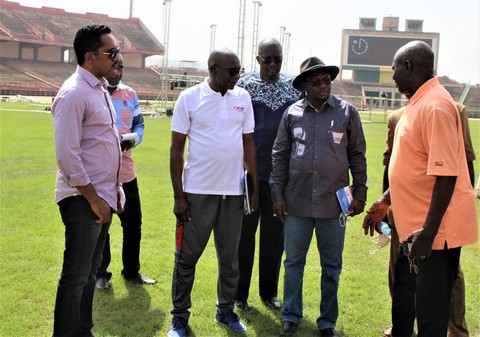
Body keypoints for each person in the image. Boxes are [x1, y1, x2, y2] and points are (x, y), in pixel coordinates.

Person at [362, 41, 478, 337]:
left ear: (409, 67)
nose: (394, 76)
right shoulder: (417, 103)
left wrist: (428, 233)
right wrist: (385, 201)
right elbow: (413, 168)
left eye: (395, 70)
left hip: (432, 237)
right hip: (409, 229)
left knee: (430, 316)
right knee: (404, 304)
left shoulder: (436, 106)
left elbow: (447, 176)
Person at [270, 57, 367, 337]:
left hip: (333, 202)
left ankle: (327, 322)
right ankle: (291, 315)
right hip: (297, 201)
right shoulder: (291, 114)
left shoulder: (347, 113)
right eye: (317, 81)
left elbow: (357, 155)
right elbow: (279, 156)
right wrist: (277, 194)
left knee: (332, 266)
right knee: (293, 263)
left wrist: (360, 192)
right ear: (304, 86)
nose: (324, 85)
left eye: (327, 80)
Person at [167, 48, 259, 337]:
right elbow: (176, 150)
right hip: (197, 193)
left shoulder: (242, 98)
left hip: (232, 194)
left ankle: (225, 311)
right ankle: (179, 318)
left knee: (230, 260)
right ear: (213, 69)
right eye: (232, 71)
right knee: (187, 257)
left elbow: (248, 145)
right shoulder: (190, 98)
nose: (237, 76)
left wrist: (253, 187)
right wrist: (179, 196)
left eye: (239, 70)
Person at [378, 101, 475, 337]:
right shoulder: (397, 116)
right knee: (401, 271)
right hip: (402, 213)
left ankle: (457, 330)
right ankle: (404, 326)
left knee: (447, 278)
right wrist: (386, 208)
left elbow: (465, 163)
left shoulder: (453, 109)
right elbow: (390, 166)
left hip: (437, 215)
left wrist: (459, 203)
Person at [51, 24, 124, 336]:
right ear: (90, 57)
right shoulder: (74, 93)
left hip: (101, 196)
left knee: (90, 272)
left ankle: (83, 330)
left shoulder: (98, 88)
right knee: (76, 276)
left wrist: (112, 190)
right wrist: (93, 198)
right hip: (83, 199)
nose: (117, 58)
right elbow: (67, 156)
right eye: (111, 53)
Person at [234, 37, 301, 312]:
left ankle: (269, 292)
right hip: (249, 175)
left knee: (274, 240)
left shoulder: (293, 88)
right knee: (244, 238)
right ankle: (239, 294)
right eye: (267, 59)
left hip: (280, 179)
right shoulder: (244, 86)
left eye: (278, 59)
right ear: (258, 58)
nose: (273, 64)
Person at [95, 56, 156, 289]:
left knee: (133, 224)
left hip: (126, 171)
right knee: (103, 223)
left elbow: (139, 124)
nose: (118, 70)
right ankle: (101, 274)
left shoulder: (130, 94)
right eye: (115, 66)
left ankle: (132, 272)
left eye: (121, 67)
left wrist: (135, 139)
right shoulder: (93, 93)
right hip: (100, 174)